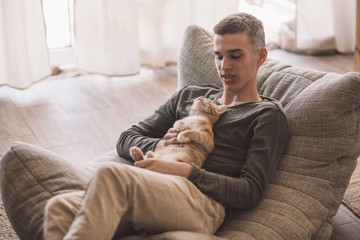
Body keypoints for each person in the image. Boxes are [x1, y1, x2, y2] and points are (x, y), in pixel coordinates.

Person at [43, 12, 289, 240]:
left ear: (261, 56)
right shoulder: (190, 95)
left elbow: (250, 191)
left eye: (235, 55)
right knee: (60, 207)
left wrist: (183, 170)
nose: (224, 66)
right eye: (218, 56)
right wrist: (162, 143)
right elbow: (126, 138)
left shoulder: (266, 116)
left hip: (201, 204)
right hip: (154, 188)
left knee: (111, 176)